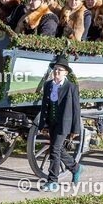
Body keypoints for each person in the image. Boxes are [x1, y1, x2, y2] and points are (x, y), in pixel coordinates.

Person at [36, 54, 83, 191]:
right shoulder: (48, 85)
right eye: (55, 69)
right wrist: (43, 125)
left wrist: (75, 129)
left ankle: (52, 181)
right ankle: (76, 168)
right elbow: (45, 106)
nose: (57, 72)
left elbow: (76, 109)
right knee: (58, 149)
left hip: (64, 124)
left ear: (66, 73)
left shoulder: (71, 87)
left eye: (60, 70)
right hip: (52, 122)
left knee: (54, 149)